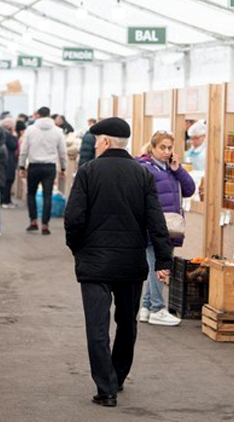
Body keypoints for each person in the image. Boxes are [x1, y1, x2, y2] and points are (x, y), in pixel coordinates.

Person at [64, 117, 173, 407]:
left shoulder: (87, 172)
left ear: (107, 141)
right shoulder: (142, 175)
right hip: (130, 263)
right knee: (127, 322)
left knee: (97, 327)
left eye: (98, 139)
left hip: (94, 265)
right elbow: (156, 221)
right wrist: (163, 260)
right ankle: (119, 375)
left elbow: (74, 218)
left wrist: (78, 248)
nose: (97, 143)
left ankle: (106, 388)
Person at [135, 131, 196, 326]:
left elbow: (189, 190)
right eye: (162, 147)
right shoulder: (145, 168)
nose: (166, 151)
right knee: (158, 266)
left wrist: (178, 169)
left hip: (170, 225)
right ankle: (157, 308)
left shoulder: (171, 169)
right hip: (154, 226)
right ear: (152, 148)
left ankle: (146, 307)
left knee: (156, 265)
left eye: (170, 148)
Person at [18, 106, 68, 235]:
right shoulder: (58, 131)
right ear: (50, 115)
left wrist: (22, 166)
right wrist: (63, 167)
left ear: (38, 115)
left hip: (34, 166)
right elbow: (63, 151)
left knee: (31, 194)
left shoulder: (30, 130)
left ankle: (33, 221)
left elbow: (24, 150)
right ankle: (45, 225)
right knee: (47, 195)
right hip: (49, 167)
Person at [0, 118, 19, 209]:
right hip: (8, 160)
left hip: (6, 160)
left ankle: (6, 199)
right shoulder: (7, 135)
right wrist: (15, 136)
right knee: (8, 181)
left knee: (7, 181)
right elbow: (14, 145)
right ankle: (5, 200)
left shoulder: (2, 134)